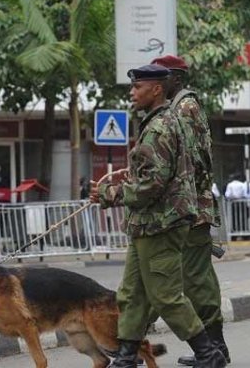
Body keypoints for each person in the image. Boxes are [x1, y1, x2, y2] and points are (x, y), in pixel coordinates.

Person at [90, 64, 226, 368]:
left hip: (161, 225)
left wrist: (111, 194)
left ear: (156, 89)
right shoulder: (159, 122)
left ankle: (208, 353)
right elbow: (153, 175)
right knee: (132, 294)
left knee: (165, 295)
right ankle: (126, 356)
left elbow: (152, 184)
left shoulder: (161, 127)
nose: (131, 93)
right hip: (147, 225)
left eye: (137, 87)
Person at [151, 55, 229, 366]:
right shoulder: (180, 106)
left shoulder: (184, 108)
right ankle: (212, 347)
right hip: (188, 207)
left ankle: (215, 348)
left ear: (176, 77)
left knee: (197, 279)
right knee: (191, 278)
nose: (157, 82)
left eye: (161, 76)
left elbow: (190, 162)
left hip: (191, 208)